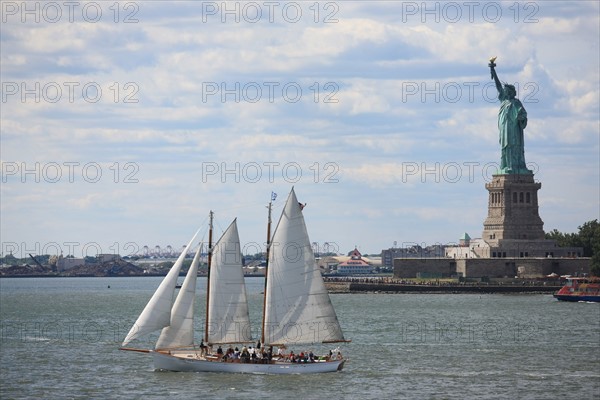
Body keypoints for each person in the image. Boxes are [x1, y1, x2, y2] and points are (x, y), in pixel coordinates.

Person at [489, 60, 530, 175]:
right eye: (505, 91)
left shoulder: (516, 103)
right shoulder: (503, 100)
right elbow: (498, 86)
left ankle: (516, 166)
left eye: (507, 91)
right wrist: (493, 70)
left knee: (514, 146)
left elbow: (523, 115)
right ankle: (505, 165)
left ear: (511, 92)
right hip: (504, 128)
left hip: (514, 130)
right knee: (505, 147)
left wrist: (521, 116)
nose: (505, 92)